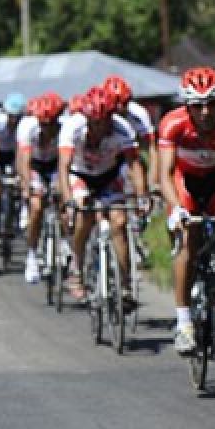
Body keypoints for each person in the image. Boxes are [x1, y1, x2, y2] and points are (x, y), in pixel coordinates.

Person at [157, 67, 215, 355]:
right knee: (188, 239)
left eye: (212, 103)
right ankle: (184, 320)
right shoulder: (173, 123)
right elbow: (164, 173)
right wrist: (175, 209)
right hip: (183, 183)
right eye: (197, 105)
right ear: (187, 105)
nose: (205, 112)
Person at [57, 86, 146, 301]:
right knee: (83, 214)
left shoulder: (122, 129)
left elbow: (134, 164)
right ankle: (76, 268)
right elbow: (64, 166)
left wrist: (142, 196)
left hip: (108, 176)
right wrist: (68, 201)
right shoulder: (72, 127)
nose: (99, 126)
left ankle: (125, 285)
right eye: (94, 122)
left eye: (104, 120)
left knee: (119, 221)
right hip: (80, 175)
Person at [16, 92, 65, 283]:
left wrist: (61, 185)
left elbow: (66, 163)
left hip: (55, 165)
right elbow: (24, 161)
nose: (47, 128)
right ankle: (31, 255)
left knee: (63, 201)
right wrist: (28, 186)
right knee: (36, 207)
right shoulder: (27, 127)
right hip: (34, 165)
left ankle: (65, 242)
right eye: (43, 123)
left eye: (51, 123)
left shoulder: (65, 128)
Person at [0, 91, 28, 246]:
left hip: (16, 155)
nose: (14, 120)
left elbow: (21, 152)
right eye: (11, 116)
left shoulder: (25, 125)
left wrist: (21, 174)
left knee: (23, 183)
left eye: (17, 116)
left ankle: (22, 211)